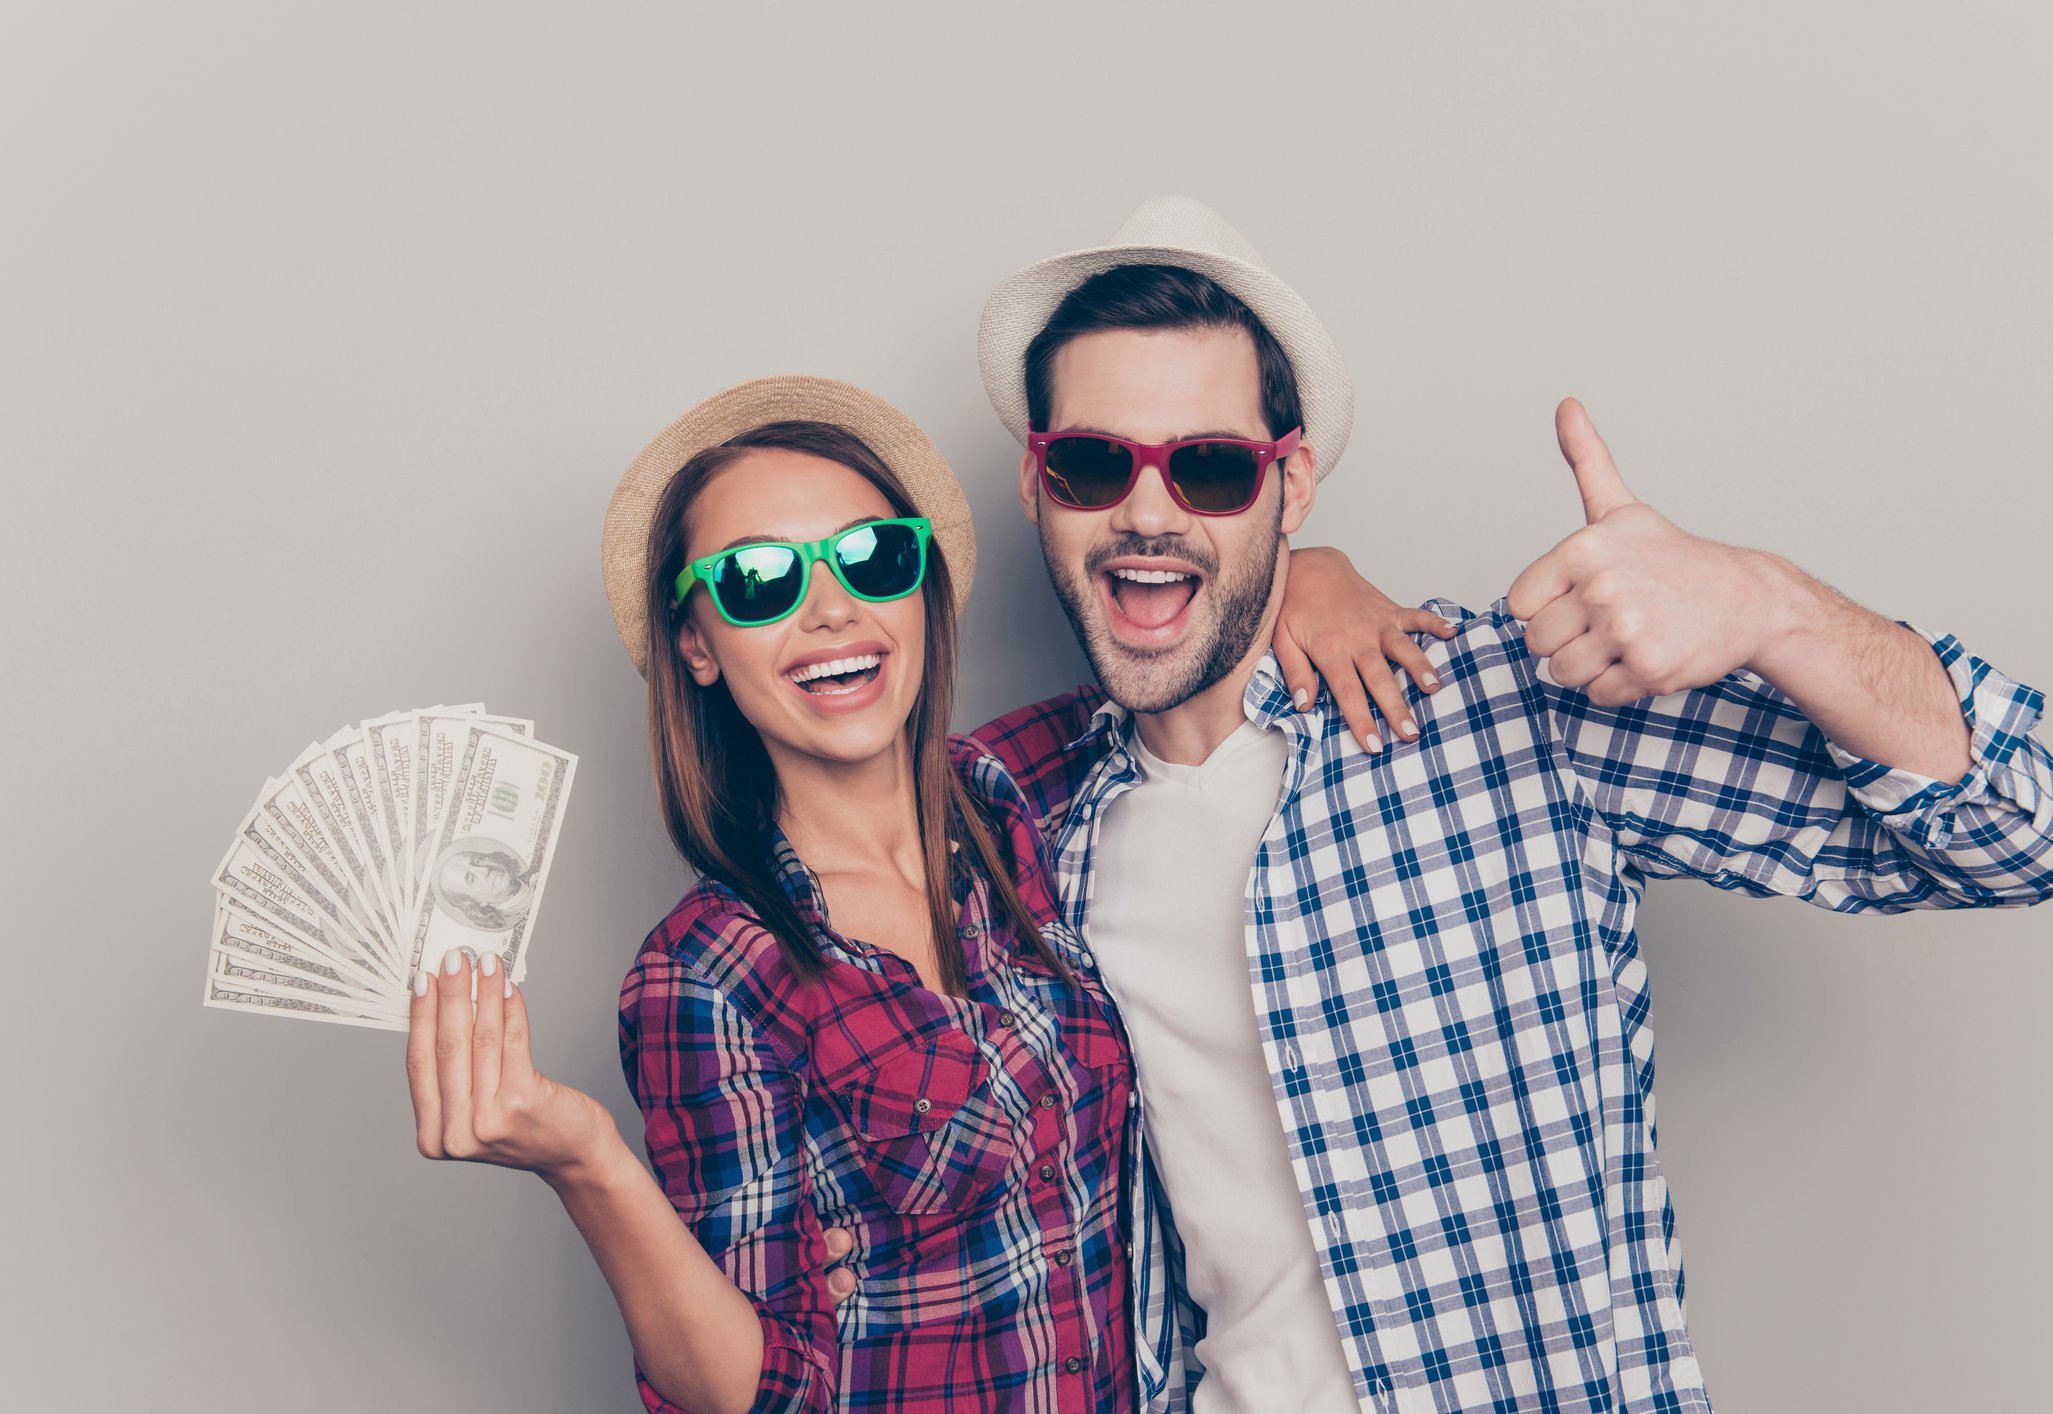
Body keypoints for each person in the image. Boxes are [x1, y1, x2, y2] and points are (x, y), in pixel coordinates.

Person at [965, 197, 2053, 1414]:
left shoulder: (1508, 715)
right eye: (1093, 464)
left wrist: (1772, 607)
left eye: (1208, 467)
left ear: (1289, 487)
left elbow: (2024, 835)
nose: (1146, 513)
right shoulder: (1028, 829)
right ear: (1035, 483)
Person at [400, 373, 1453, 1413]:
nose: (830, 611)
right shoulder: (707, 977)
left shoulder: (1027, 790)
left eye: (871, 557)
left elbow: (1191, 649)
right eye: (759, 581)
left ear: (919, 587)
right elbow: (760, 1395)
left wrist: (1312, 574)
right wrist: (587, 1164)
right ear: (697, 644)